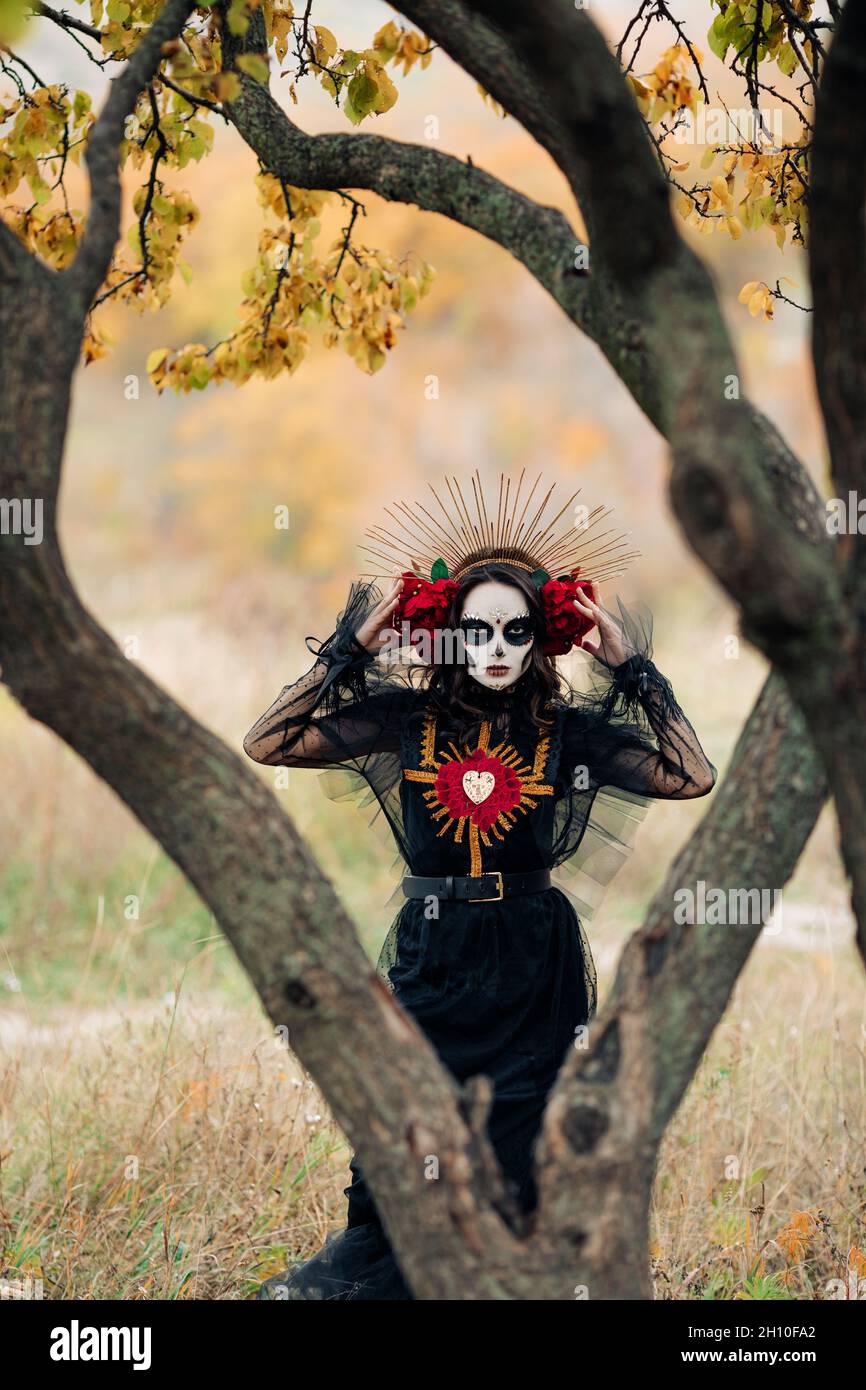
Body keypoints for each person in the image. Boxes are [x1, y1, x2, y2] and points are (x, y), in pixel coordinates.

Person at [243, 471, 716, 1299]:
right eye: (478, 629)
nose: (496, 648)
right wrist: (354, 648)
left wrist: (634, 668)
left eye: (516, 631)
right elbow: (270, 740)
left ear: (541, 639)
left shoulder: (566, 732)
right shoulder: (403, 720)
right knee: (413, 1129)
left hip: (535, 959)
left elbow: (689, 774)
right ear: (452, 634)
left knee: (526, 1144)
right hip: (435, 952)